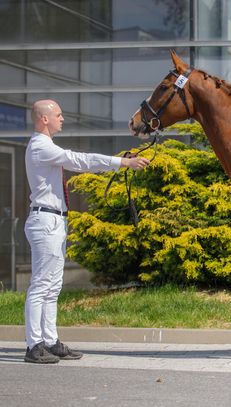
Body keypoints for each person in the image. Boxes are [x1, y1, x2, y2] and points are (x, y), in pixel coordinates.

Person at [24, 99, 150, 364]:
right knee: (41, 286)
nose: (62, 118)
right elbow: (80, 160)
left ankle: (49, 341)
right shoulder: (40, 146)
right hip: (46, 221)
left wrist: (119, 161)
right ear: (44, 119)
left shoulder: (46, 147)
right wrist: (121, 163)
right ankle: (34, 345)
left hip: (54, 221)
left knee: (53, 285)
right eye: (58, 115)